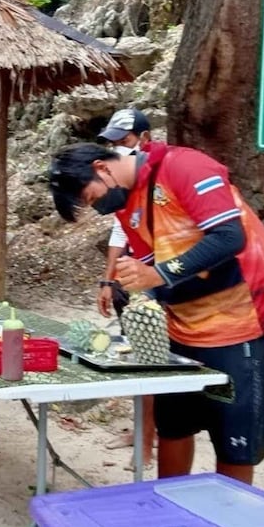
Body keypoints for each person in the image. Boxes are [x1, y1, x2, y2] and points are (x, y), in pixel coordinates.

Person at [48, 141, 264, 485]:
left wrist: (159, 275)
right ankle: (169, 510)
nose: (98, 209)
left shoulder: (185, 167)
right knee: (174, 428)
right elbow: (149, 266)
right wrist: (141, 293)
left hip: (238, 329)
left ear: (101, 168)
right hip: (180, 334)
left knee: (234, 443)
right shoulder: (128, 205)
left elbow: (230, 236)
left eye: (93, 199)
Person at [96, 108, 155, 465]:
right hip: (131, 274)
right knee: (134, 350)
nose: (118, 147)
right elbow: (120, 230)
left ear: (144, 139)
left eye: (125, 140)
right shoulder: (118, 182)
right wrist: (109, 278)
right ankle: (143, 431)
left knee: (152, 357)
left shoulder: (160, 178)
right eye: (113, 142)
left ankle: (148, 440)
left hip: (157, 276)